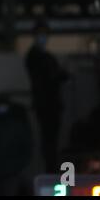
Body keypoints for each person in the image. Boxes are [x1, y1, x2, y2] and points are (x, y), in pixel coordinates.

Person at [25, 19, 68, 173]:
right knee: (48, 139)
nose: (43, 37)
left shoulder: (46, 56)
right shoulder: (34, 56)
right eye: (40, 34)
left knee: (53, 139)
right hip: (45, 104)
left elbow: (55, 75)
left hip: (52, 103)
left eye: (45, 34)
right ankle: (51, 169)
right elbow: (46, 77)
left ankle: (53, 167)